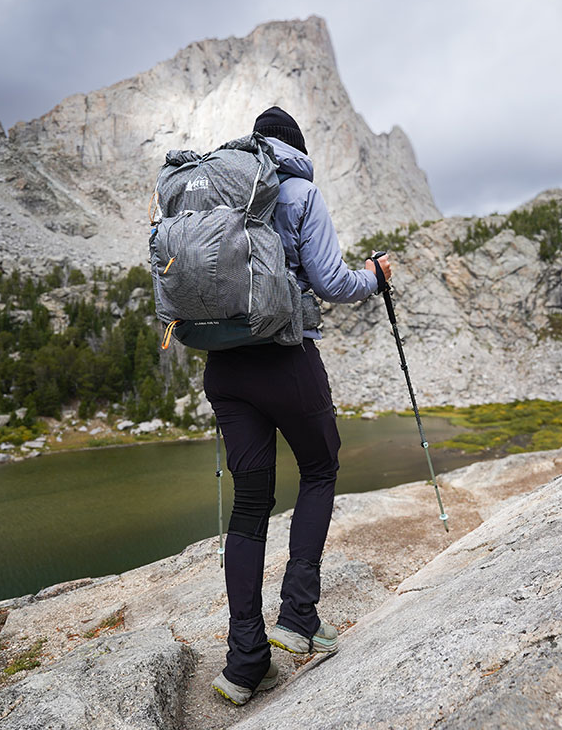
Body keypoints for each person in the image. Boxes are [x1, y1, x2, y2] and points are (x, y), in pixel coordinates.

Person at [208, 106, 393, 705]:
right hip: (285, 358)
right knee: (319, 468)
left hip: (226, 369)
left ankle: (244, 666)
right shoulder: (299, 190)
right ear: (296, 149)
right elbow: (333, 282)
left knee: (250, 504)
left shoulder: (214, 185)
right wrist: (375, 276)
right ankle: (299, 618)